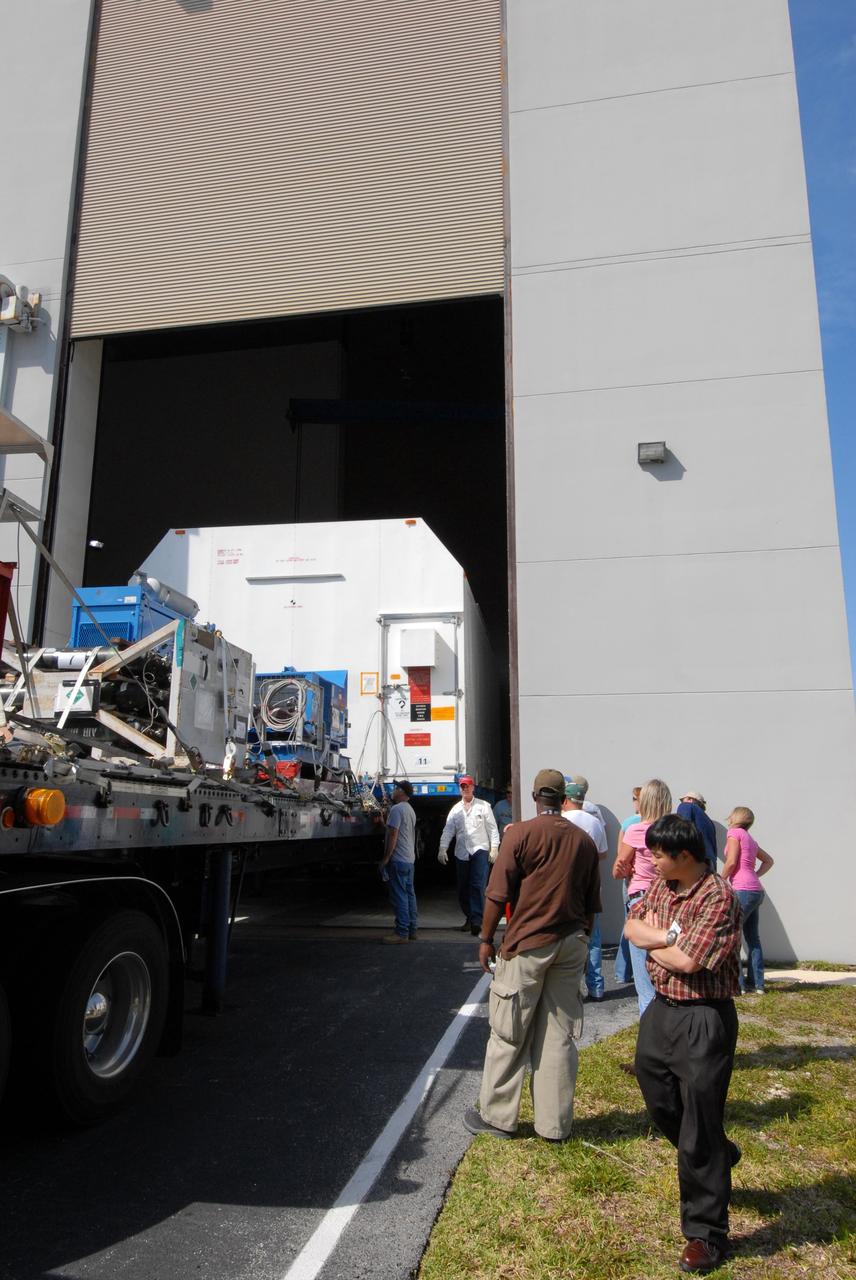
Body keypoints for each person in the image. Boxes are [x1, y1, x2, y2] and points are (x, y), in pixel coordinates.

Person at [625, 815, 741, 1274]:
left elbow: (690, 961)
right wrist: (662, 938)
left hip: (703, 1017)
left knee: (698, 1126)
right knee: (657, 1093)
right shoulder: (663, 886)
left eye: (657, 853)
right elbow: (633, 928)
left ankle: (705, 1234)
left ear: (685, 857)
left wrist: (657, 941)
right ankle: (718, 1154)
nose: (649, 860)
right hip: (662, 1011)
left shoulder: (718, 897)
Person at [464, 768, 601, 1142]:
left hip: (527, 944)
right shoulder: (583, 842)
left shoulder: (521, 834)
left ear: (535, 795)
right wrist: (583, 937)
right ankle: (554, 1127)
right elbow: (591, 905)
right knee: (558, 1036)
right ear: (563, 797)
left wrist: (486, 938)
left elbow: (497, 894)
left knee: (510, 1031)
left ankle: (497, 1118)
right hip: (571, 942)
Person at [612, 778, 672, 1016]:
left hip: (641, 900)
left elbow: (618, 868)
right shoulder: (673, 830)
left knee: (642, 971)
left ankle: (650, 1028)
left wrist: (625, 869)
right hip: (669, 900)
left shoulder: (636, 830)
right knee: (666, 963)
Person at [563, 778, 608, 1001]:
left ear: (566, 799)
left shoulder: (560, 821)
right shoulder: (594, 822)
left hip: (566, 891)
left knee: (566, 940)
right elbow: (603, 854)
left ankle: (569, 989)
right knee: (593, 940)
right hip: (591, 888)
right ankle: (597, 987)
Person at [438, 775, 500, 936]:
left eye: (467, 786)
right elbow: (448, 830)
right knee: (463, 888)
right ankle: (470, 917)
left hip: (479, 850)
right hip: (462, 852)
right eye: (462, 786)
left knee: (477, 885)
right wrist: (442, 848)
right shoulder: (455, 810)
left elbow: (493, 828)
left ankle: (477, 922)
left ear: (473, 787)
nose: (465, 789)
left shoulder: (484, 806)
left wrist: (494, 848)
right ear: (460, 789)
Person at [722, 806, 774, 995]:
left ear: (734, 817)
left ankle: (738, 985)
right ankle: (757, 984)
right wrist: (755, 875)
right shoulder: (750, 839)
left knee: (732, 936)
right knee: (753, 938)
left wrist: (720, 880)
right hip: (756, 891)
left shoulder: (734, 833)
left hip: (742, 890)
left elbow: (732, 862)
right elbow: (769, 860)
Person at [380, 780, 418, 943]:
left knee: (399, 896)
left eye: (396, 788)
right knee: (409, 895)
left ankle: (401, 932)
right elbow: (398, 831)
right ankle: (412, 929)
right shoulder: (410, 810)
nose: (393, 790)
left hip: (398, 859)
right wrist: (384, 823)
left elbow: (394, 835)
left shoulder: (396, 809)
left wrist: (386, 859)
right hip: (409, 860)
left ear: (402, 792)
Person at [614, 786, 642, 984]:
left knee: (629, 925)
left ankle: (622, 972)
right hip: (652, 884)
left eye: (635, 798)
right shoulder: (662, 824)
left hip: (632, 882)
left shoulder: (629, 823)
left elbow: (620, 858)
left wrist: (629, 872)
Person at [676, 790, 718, 869]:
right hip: (710, 863)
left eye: (683, 800)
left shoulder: (686, 806)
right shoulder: (710, 823)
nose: (682, 803)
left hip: (695, 860)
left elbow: (682, 830)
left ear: (690, 799)